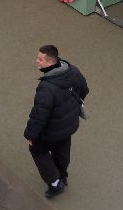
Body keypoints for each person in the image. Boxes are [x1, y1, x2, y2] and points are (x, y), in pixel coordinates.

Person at [23, 44, 89, 198]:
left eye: (40, 59)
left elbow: (39, 115)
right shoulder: (73, 71)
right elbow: (84, 90)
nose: (37, 61)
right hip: (70, 124)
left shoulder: (46, 88)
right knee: (62, 149)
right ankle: (62, 177)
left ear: (51, 62)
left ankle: (54, 182)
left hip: (51, 130)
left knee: (37, 150)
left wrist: (30, 135)